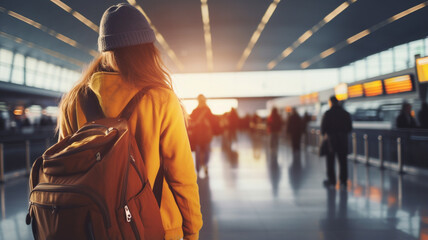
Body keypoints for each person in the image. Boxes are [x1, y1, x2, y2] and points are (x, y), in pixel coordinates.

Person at [56, 4, 202, 240]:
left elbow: (66, 169)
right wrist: (192, 230)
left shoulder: (75, 101)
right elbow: (182, 177)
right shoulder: (161, 100)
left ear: (105, 49)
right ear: (147, 50)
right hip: (156, 228)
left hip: (95, 227)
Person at [321, 96, 352, 188]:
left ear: (330, 102)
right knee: (343, 162)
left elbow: (323, 129)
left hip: (331, 141)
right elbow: (349, 128)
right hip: (343, 141)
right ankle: (343, 181)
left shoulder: (327, 113)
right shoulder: (345, 113)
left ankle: (332, 181)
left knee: (330, 162)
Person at [190, 94, 215, 177]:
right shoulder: (195, 111)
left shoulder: (207, 110)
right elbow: (191, 122)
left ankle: (204, 166)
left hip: (206, 135)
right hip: (198, 136)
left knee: (206, 152)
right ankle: (199, 168)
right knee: (198, 152)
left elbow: (213, 121)